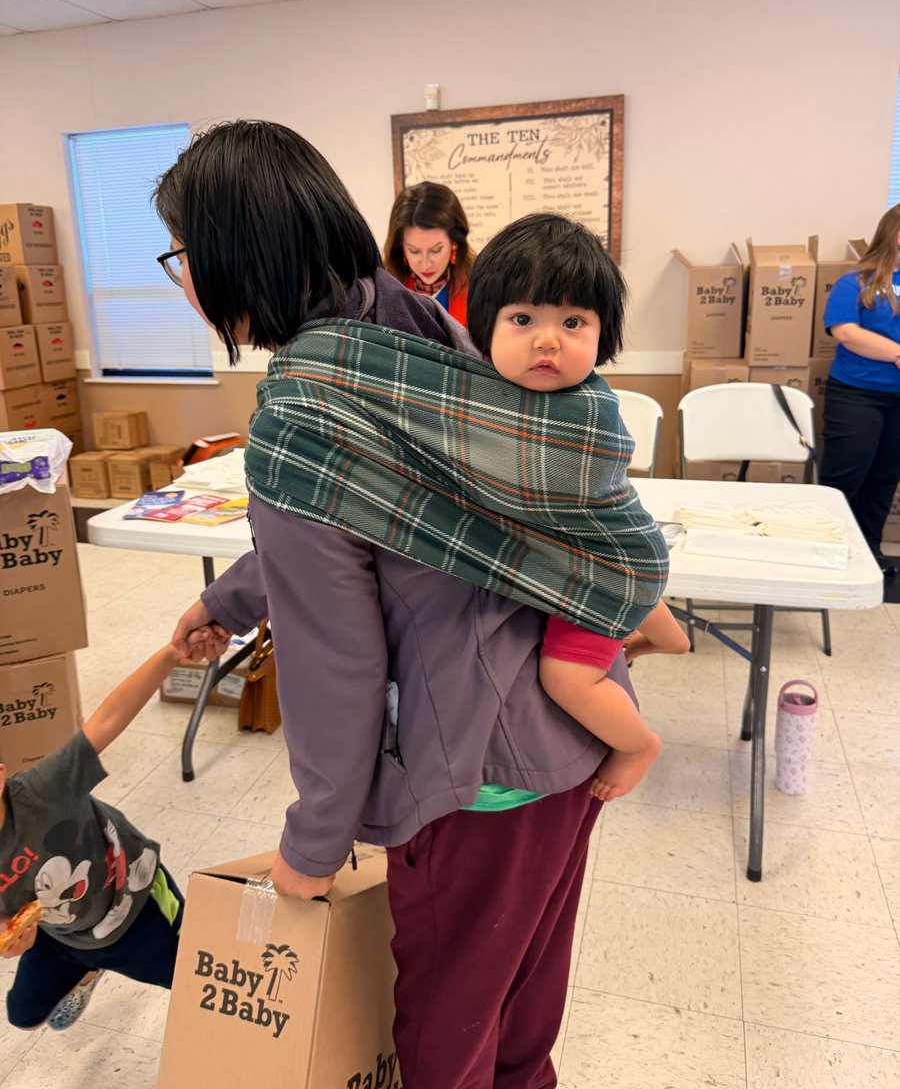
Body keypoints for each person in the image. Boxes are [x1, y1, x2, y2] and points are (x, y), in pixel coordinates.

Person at [158, 120, 664, 1089]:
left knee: (444, 1050)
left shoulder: (300, 417)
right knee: (520, 1024)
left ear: (227, 257)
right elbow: (368, 527)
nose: (179, 277)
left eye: (181, 254)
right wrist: (232, 595)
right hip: (573, 728)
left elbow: (338, 666)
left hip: (474, 779)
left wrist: (311, 846)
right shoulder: (407, 322)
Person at [464, 213, 687, 801]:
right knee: (628, 579)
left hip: (587, 570)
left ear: (602, 334)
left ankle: (638, 744)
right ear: (481, 328)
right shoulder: (497, 398)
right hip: (623, 560)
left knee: (564, 676)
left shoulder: (584, 411)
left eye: (572, 321)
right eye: (522, 319)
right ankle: (664, 633)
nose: (547, 339)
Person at [1, 631, 226, 1032]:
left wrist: (171, 654)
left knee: (201, 986)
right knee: (24, 1017)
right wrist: (12, 937)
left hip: (136, 905)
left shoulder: (42, 790)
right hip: (62, 937)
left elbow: (106, 719)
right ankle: (86, 972)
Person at [818, 203, 900, 577]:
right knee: (845, 476)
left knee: (885, 478)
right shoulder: (856, 282)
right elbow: (846, 332)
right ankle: (828, 549)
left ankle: (869, 553)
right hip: (857, 396)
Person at [383, 181, 473, 325]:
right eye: (414, 251)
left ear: (454, 243)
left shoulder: (479, 285)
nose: (425, 264)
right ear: (401, 248)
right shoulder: (382, 287)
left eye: (436, 250)